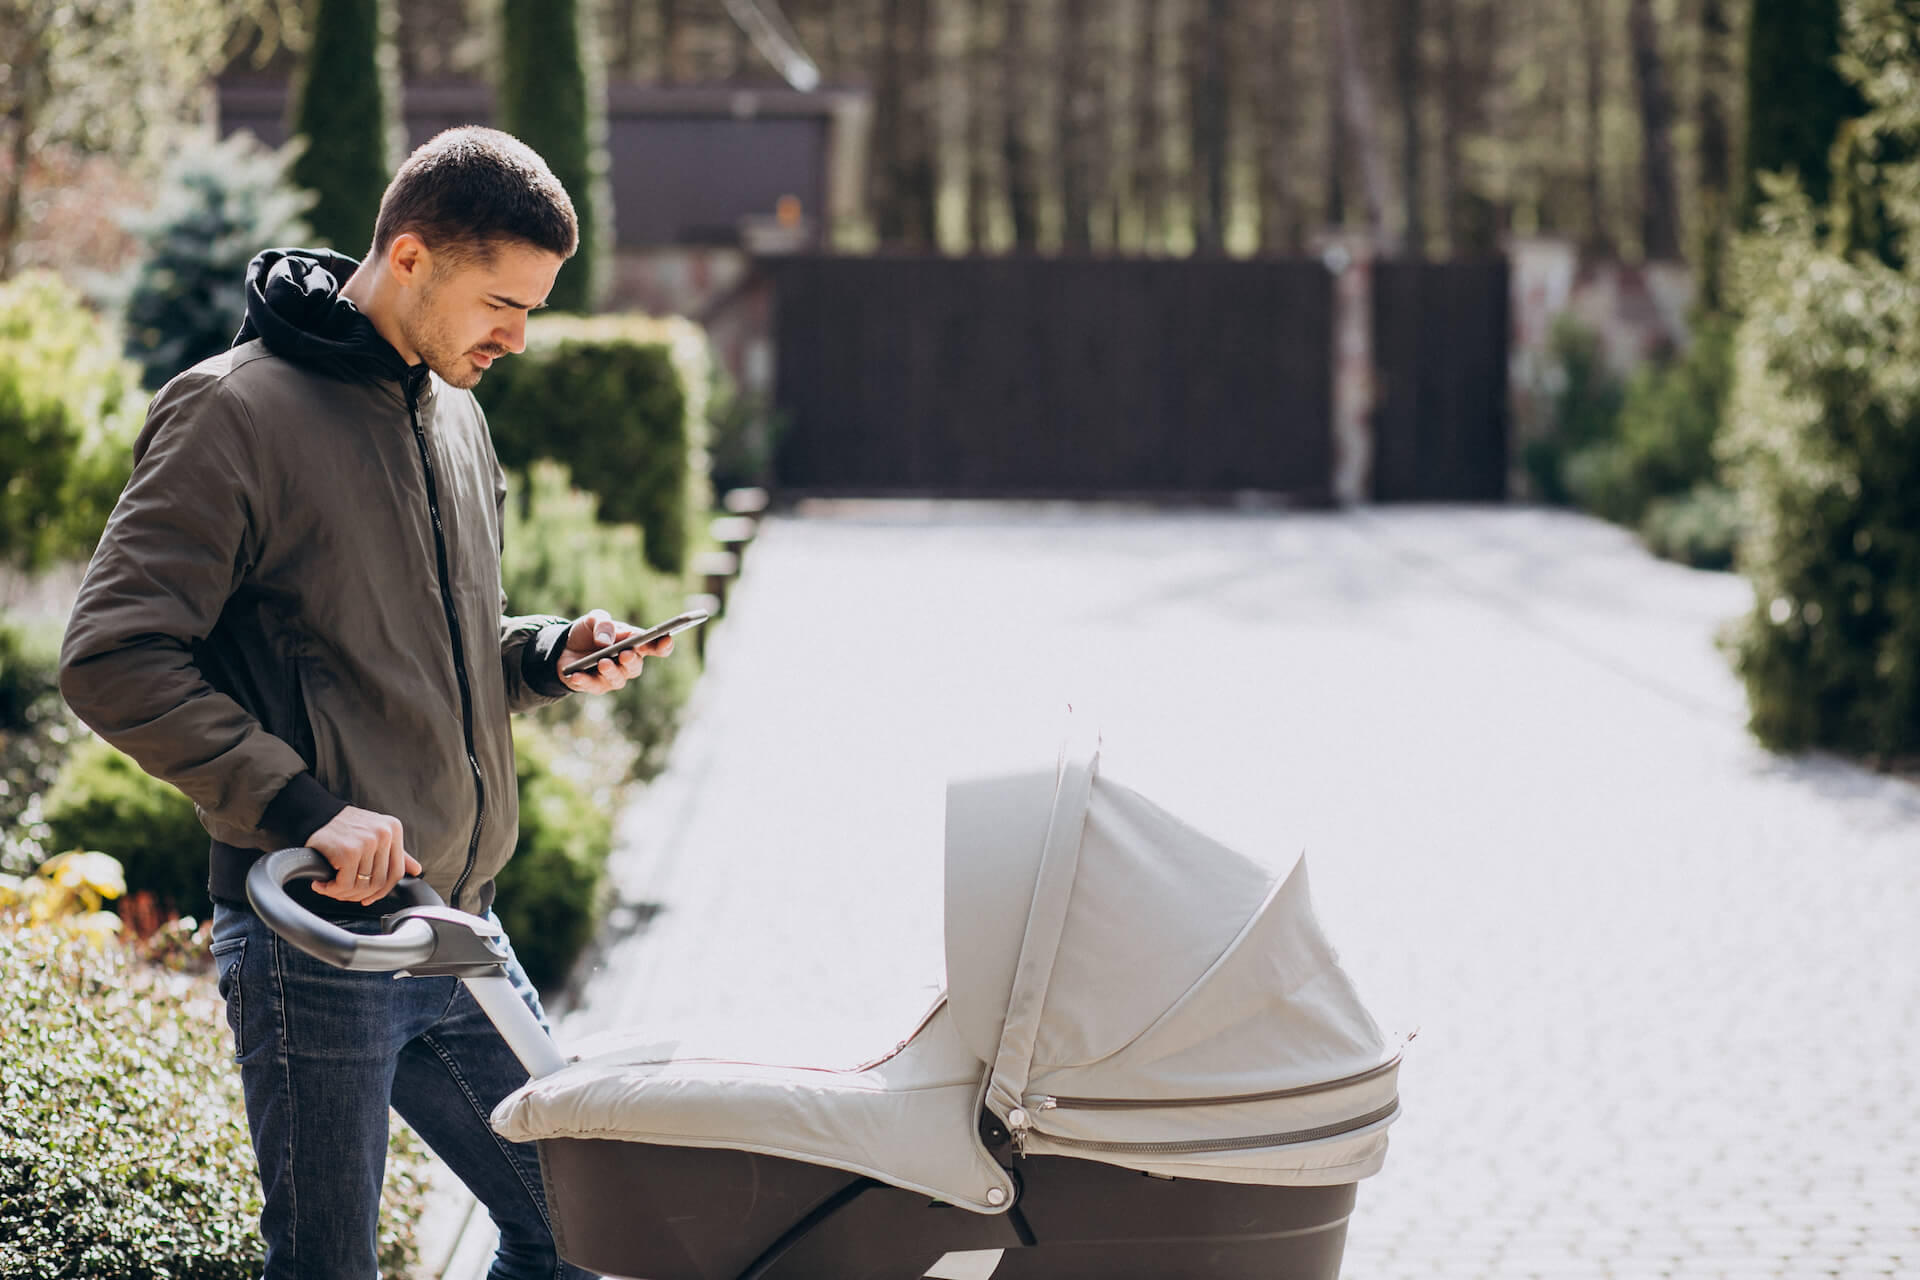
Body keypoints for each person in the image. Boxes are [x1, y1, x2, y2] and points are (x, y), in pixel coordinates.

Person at [59, 126, 655, 1279]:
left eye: (533, 310)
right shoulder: (234, 412)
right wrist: (303, 806)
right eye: (502, 302)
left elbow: (413, 642)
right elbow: (112, 654)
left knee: (585, 1226)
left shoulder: (453, 411)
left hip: (458, 928)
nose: (517, 338)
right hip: (315, 938)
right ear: (413, 255)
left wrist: (543, 652)